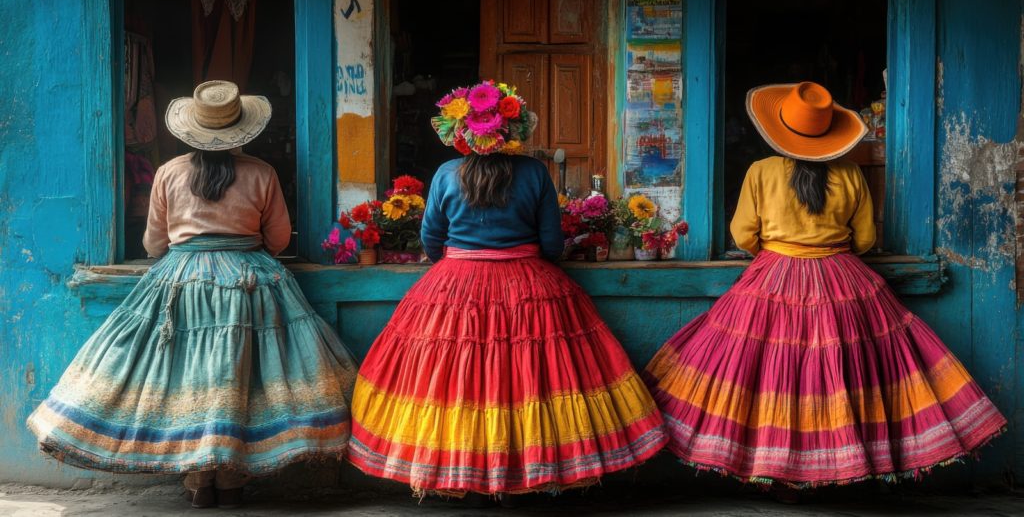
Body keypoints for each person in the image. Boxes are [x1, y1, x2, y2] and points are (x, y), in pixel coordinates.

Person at [644, 82, 1007, 492]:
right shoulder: (851, 174)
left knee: (770, 379)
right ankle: (835, 466)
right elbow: (866, 239)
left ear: (779, 130)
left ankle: (777, 471)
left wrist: (777, 243)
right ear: (828, 136)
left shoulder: (760, 172)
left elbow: (743, 235)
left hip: (772, 276)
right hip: (842, 276)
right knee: (841, 377)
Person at [27, 81, 358, 509]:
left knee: (191, 380)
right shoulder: (261, 172)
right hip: (249, 279)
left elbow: (153, 244)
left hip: (181, 279)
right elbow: (277, 238)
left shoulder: (168, 172)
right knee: (239, 379)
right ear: (241, 129)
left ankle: (199, 480)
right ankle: (232, 480)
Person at [346, 82, 667, 498]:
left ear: (463, 133)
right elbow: (552, 242)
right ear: (512, 133)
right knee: (530, 381)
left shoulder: (446, 174)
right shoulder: (534, 173)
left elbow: (431, 239)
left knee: (457, 382)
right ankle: (523, 476)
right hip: (529, 281)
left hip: (454, 282)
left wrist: (455, 260)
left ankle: (469, 476)